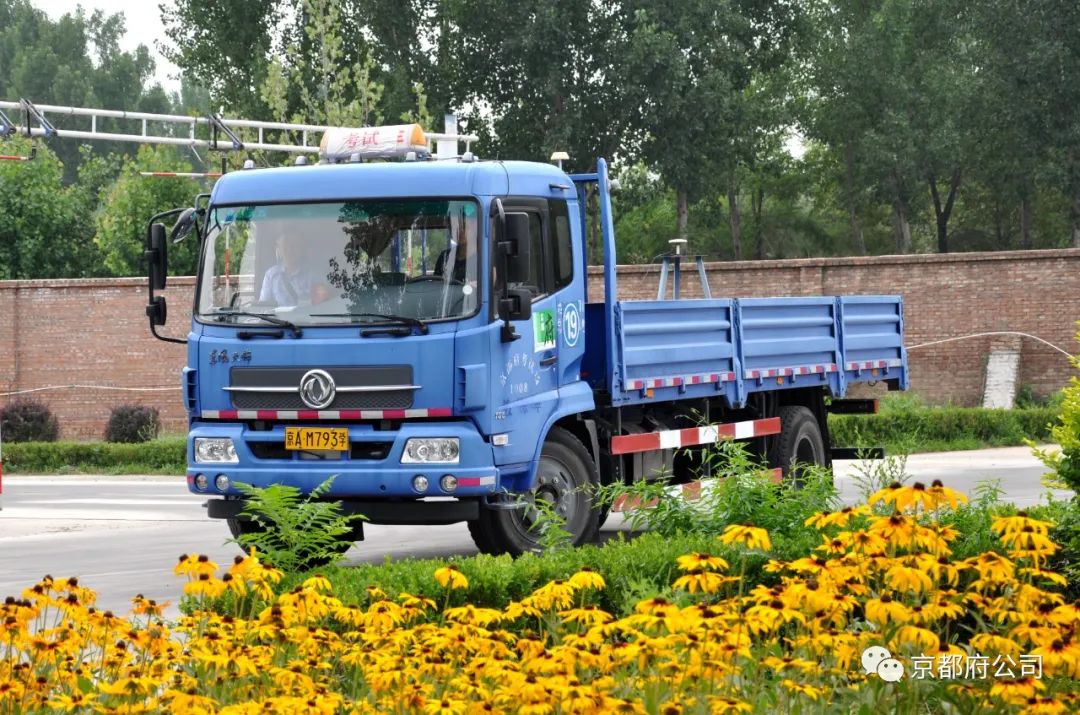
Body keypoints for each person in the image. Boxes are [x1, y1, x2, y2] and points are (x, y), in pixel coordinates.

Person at [259, 231, 325, 305]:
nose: (290, 250)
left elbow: (321, 305)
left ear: (302, 249)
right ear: (278, 249)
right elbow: (264, 305)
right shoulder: (271, 275)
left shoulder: (315, 275)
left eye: (295, 245)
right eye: (285, 246)